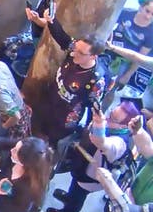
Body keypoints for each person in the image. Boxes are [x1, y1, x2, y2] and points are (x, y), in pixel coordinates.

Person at [45, 101, 139, 212]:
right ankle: (69, 197)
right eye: (111, 114)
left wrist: (99, 123)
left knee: (79, 194)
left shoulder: (120, 143)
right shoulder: (109, 124)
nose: (108, 118)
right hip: (82, 166)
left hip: (91, 176)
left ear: (124, 126)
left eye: (114, 119)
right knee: (75, 185)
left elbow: (101, 142)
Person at [38, 8, 109, 146]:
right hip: (50, 101)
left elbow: (93, 107)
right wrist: (51, 20)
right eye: (75, 49)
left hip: (64, 118)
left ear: (93, 56)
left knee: (51, 141)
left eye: (81, 53)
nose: (73, 53)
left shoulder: (95, 81)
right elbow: (63, 38)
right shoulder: (74, 51)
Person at [108, 0, 153, 94]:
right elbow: (108, 26)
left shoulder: (151, 32)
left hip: (123, 61)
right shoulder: (125, 13)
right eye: (147, 11)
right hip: (107, 49)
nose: (148, 16)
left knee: (111, 90)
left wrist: (128, 75)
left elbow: (140, 57)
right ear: (141, 7)